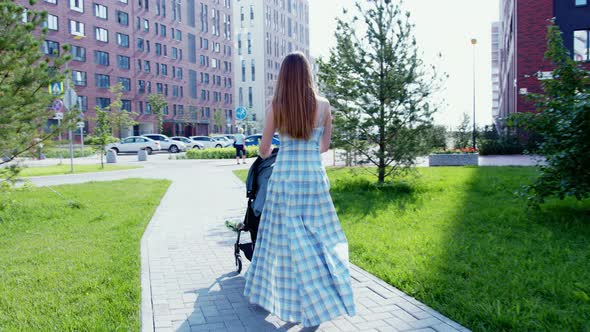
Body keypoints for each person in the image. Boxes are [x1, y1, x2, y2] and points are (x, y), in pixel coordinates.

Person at [243, 52, 356, 327]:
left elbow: (264, 148)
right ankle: (322, 296)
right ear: (308, 74)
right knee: (320, 239)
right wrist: (306, 150)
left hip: (285, 180)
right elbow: (325, 146)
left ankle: (278, 297)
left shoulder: (276, 107)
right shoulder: (324, 105)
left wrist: (280, 149)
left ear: (283, 76)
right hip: (314, 179)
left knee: (282, 242)